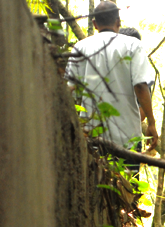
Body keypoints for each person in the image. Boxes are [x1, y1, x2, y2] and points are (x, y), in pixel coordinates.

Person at [66, 2, 158, 159]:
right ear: (118, 22)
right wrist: (151, 123)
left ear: (95, 24)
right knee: (128, 182)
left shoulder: (80, 48)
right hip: (128, 137)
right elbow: (141, 86)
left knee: (94, 182)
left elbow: (68, 90)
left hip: (92, 136)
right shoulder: (132, 45)